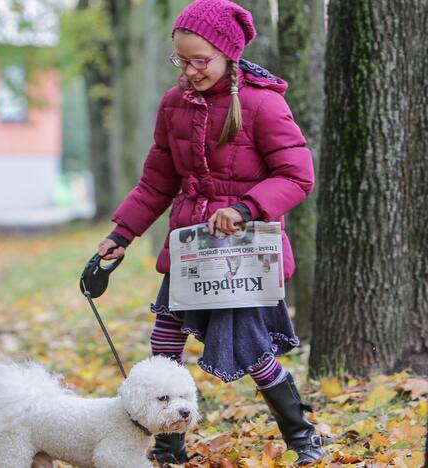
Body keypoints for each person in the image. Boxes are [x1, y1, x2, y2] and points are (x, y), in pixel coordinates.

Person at [95, 0, 325, 464]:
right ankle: (168, 444)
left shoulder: (263, 103)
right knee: (164, 342)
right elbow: (157, 181)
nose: (191, 69)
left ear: (228, 55)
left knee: (255, 352)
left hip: (241, 255)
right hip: (190, 249)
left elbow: (297, 176)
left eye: (202, 60)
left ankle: (303, 438)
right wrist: (121, 234)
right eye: (182, 59)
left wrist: (246, 207)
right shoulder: (173, 104)